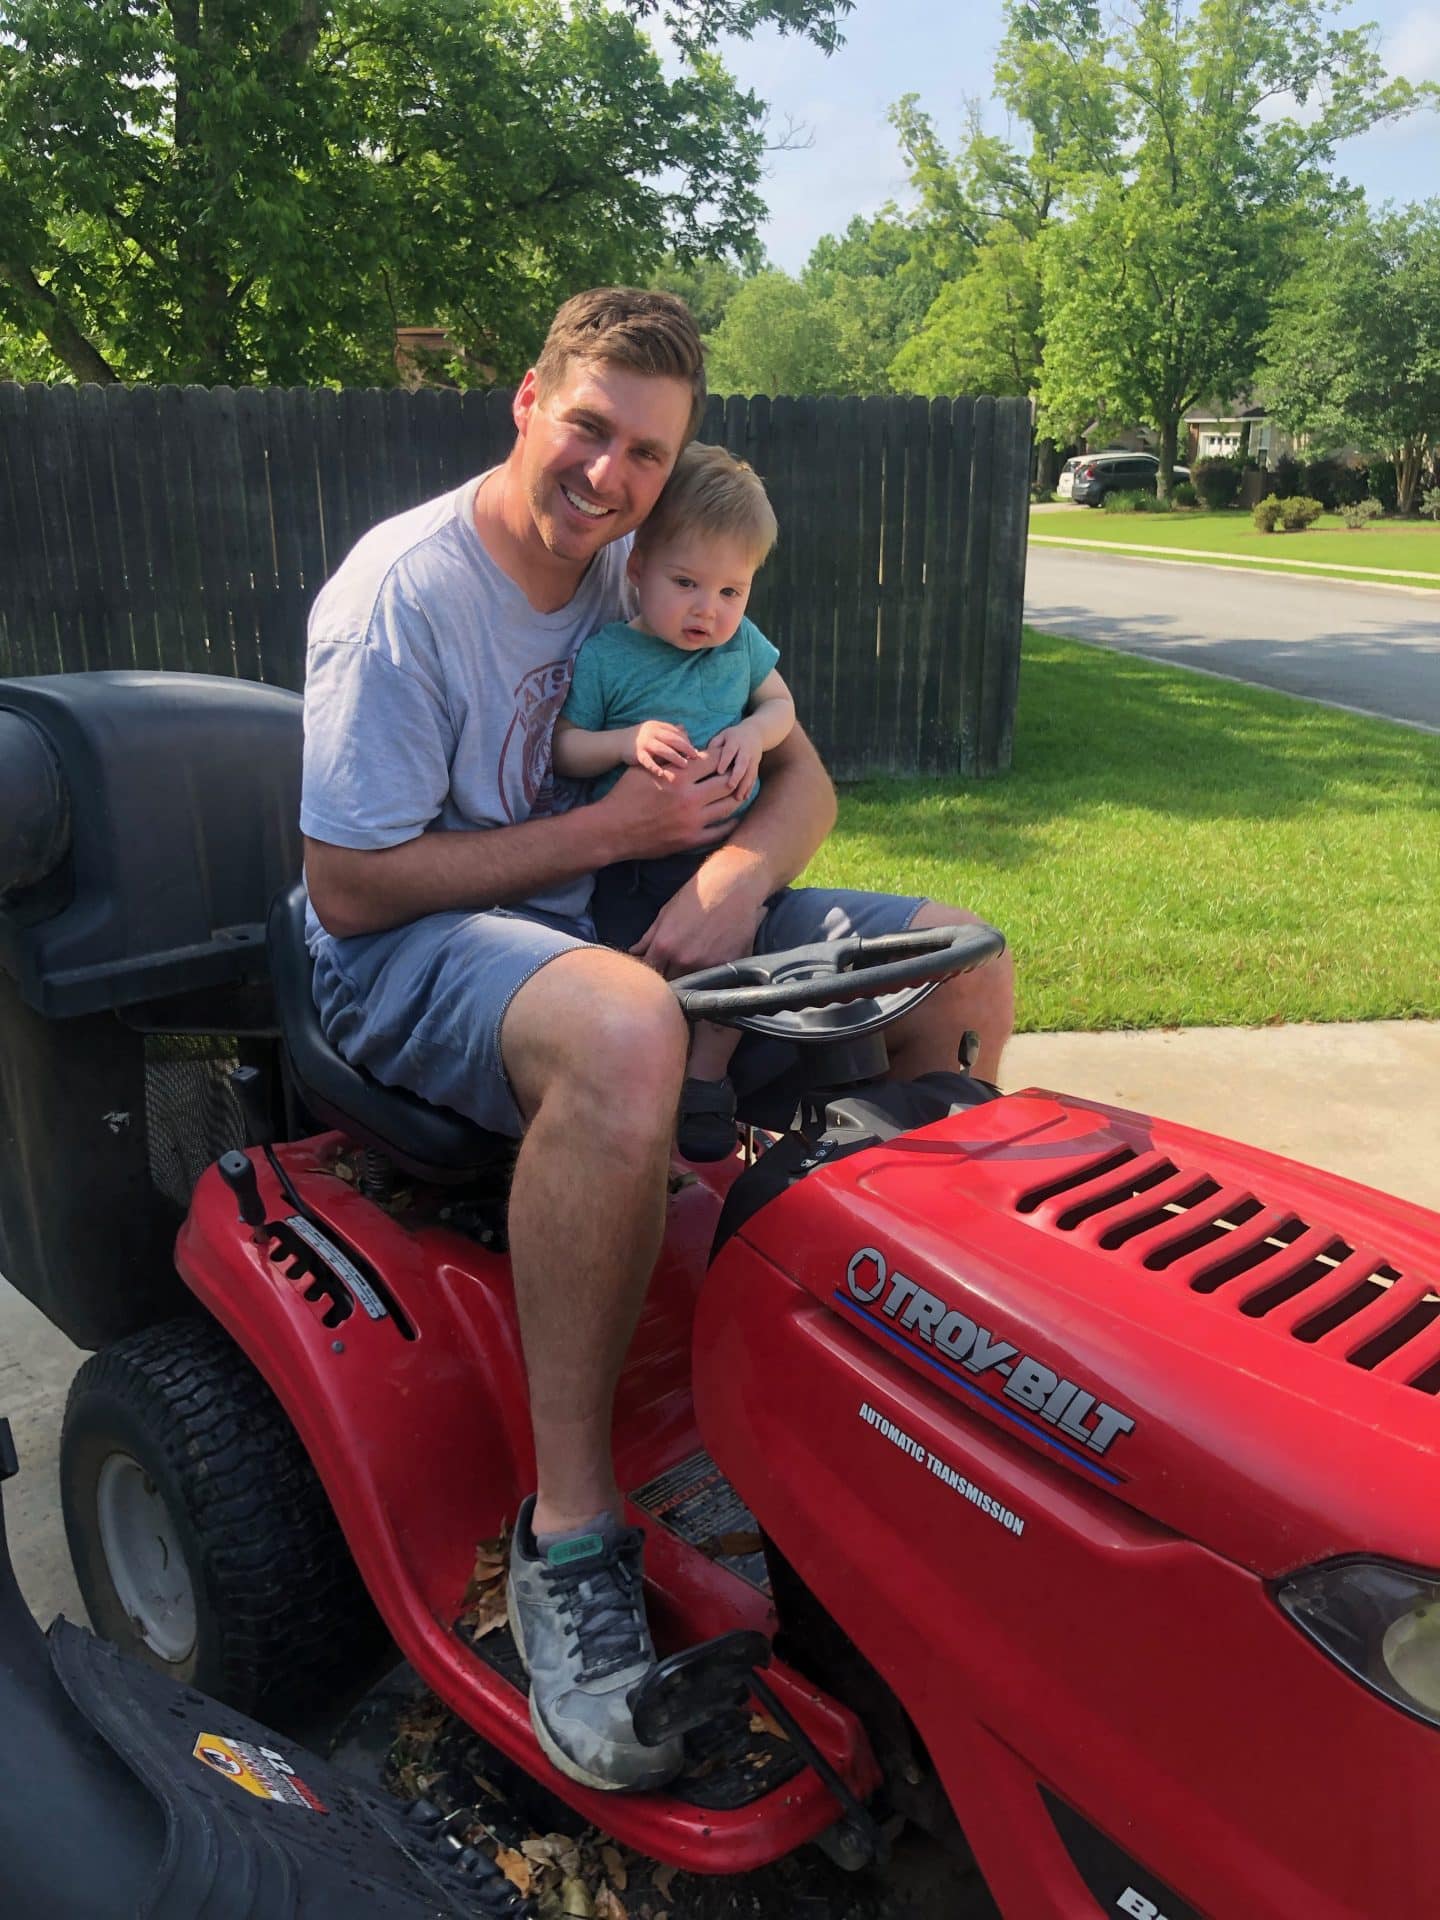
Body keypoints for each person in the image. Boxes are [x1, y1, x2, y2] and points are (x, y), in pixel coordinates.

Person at [299, 287, 1014, 1796]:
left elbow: (800, 775)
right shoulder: (401, 596)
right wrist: (617, 828)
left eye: (646, 449)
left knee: (952, 963)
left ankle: (910, 1426)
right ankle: (568, 1538)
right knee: (631, 1024)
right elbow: (348, 885)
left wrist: (726, 880)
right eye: (590, 429)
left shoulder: (650, 567)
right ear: (526, 401)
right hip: (406, 950)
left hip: (618, 906)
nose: (611, 474)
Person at [552, 441, 793, 1160]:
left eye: (730, 591)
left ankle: (707, 1084)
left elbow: (780, 707)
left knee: (737, 966)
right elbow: (566, 746)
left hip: (724, 857)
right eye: (686, 583)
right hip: (632, 867)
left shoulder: (741, 648)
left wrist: (754, 732)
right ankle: (642, 1095)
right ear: (638, 571)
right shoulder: (608, 656)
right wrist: (625, 743)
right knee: (635, 975)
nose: (707, 610)